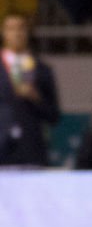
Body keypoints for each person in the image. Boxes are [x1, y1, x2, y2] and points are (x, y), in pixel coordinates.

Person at [0, 12, 60, 167]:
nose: (17, 33)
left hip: (32, 152)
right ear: (3, 32)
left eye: (21, 28)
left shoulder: (43, 70)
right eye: (11, 28)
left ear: (28, 32)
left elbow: (54, 116)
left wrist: (36, 97)